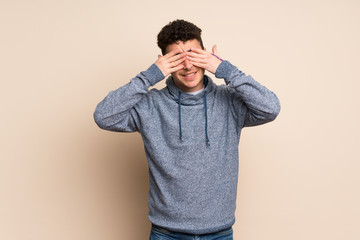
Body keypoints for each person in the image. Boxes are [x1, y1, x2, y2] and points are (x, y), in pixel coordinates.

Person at [94, 19, 280, 240]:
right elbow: (103, 116)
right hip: (167, 233)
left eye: (193, 56)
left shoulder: (229, 102)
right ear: (165, 63)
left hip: (219, 232)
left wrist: (225, 69)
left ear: (205, 55)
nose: (188, 66)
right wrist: (150, 75)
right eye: (177, 59)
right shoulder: (151, 105)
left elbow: (271, 108)